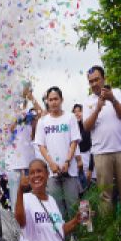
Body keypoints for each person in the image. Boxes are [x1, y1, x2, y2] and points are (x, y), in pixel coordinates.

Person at [82, 65, 121, 210]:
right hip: (101, 153)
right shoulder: (87, 101)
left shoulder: (116, 92)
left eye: (97, 79)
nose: (94, 84)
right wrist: (97, 108)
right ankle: (107, 231)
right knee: (105, 195)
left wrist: (113, 100)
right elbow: (86, 127)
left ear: (104, 79)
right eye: (91, 81)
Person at [33, 87, 82, 218]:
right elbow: (41, 146)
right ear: (47, 101)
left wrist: (67, 161)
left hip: (69, 171)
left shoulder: (70, 117)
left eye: (56, 99)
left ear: (61, 100)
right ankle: (61, 238)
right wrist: (51, 164)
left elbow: (74, 142)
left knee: (73, 206)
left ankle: (77, 237)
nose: (53, 102)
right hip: (52, 172)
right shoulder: (42, 121)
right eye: (50, 100)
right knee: (56, 209)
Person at [5, 85, 43, 200]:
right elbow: (9, 129)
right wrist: (18, 115)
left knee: (32, 201)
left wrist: (31, 97)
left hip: (29, 164)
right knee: (16, 202)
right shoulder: (6, 114)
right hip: (14, 166)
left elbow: (42, 114)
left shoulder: (29, 116)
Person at [71, 103, 92, 188]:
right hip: (76, 164)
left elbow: (92, 146)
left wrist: (91, 168)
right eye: (75, 112)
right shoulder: (72, 128)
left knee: (91, 188)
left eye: (80, 111)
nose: (77, 114)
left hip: (88, 161)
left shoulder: (88, 127)